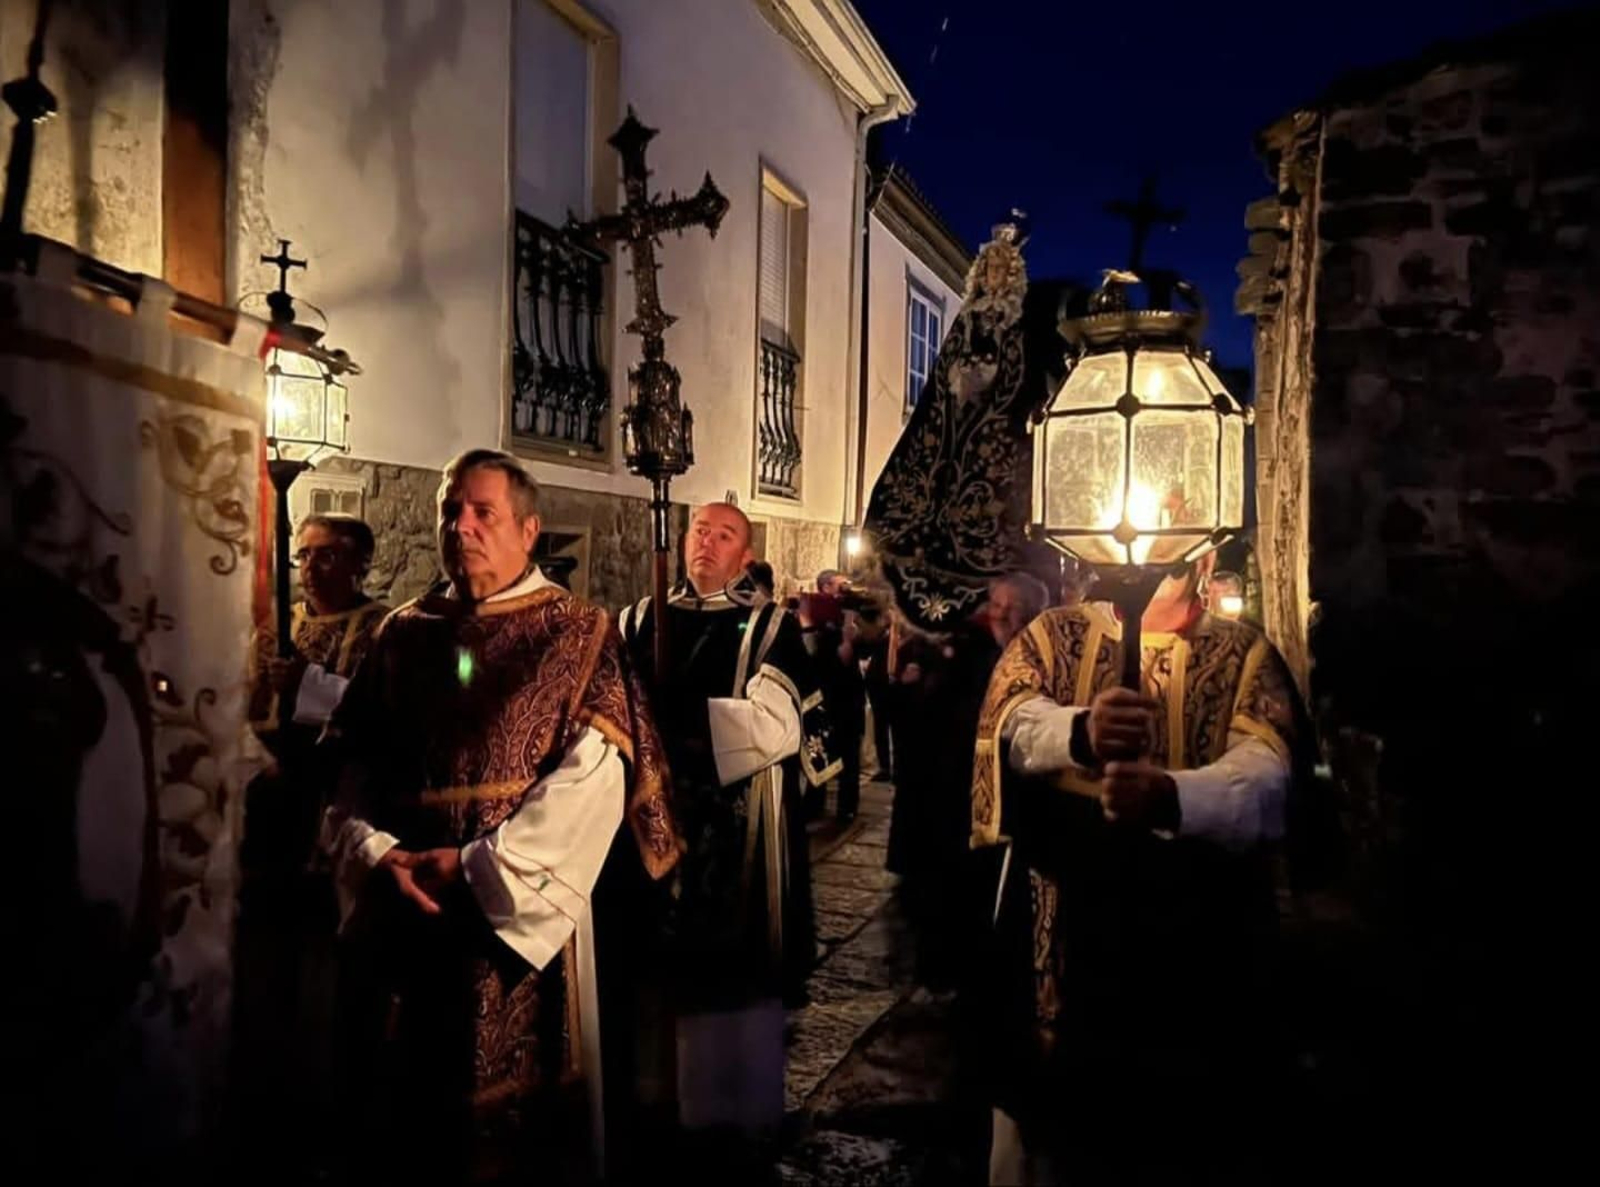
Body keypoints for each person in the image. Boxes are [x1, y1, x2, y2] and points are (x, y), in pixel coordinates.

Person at [319, 449, 680, 1183]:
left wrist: (481, 865)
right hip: (406, 901)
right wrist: (375, 851)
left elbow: (597, 776)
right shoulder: (403, 633)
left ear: (529, 528)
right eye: (452, 510)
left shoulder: (576, 634)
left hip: (518, 916)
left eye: (484, 511)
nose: (464, 526)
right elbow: (350, 762)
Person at [972, 554, 1305, 1184]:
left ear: (1204, 553)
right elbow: (1013, 720)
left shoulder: (1243, 654)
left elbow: (1270, 767)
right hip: (1062, 933)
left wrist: (1174, 797)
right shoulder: (1054, 635)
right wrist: (1080, 731)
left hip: (1193, 939)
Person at [619, 502, 840, 1174]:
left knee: (727, 969)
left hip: (733, 822)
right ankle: (651, 1104)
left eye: (724, 535)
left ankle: (731, 1117)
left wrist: (684, 718)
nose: (704, 542)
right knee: (653, 966)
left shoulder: (769, 627)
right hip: (647, 819)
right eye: (698, 530)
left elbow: (780, 730)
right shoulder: (638, 617)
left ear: (746, 557)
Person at [235, 514, 389, 1180]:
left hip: (339, 801)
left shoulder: (384, 629)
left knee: (333, 959)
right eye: (303, 555)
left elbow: (381, 712)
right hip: (269, 806)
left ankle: (337, 1095)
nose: (311, 567)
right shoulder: (277, 624)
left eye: (327, 556)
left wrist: (309, 685)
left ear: (359, 563)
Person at [802, 569, 864, 822]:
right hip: (825, 693)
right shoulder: (817, 614)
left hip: (847, 695)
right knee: (819, 750)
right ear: (825, 586)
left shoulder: (849, 616)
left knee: (849, 754)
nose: (845, 590)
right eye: (840, 585)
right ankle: (814, 804)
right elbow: (815, 652)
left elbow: (849, 654)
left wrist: (850, 621)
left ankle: (847, 807)